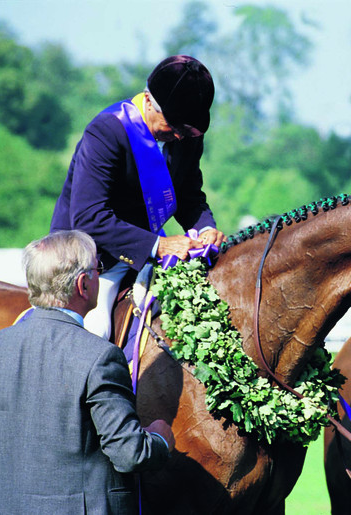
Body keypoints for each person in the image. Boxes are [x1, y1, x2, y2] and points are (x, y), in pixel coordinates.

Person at [0, 230, 175, 514]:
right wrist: (161, 439)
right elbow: (131, 454)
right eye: (97, 268)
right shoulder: (101, 357)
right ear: (83, 284)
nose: (98, 275)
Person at [50, 55, 225, 340]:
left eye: (187, 131)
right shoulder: (106, 131)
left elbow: (189, 195)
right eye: (175, 127)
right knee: (95, 333)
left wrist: (206, 228)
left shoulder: (186, 134)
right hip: (90, 262)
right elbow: (89, 217)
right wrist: (159, 246)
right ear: (149, 101)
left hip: (145, 257)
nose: (181, 137)